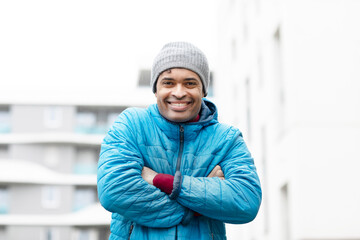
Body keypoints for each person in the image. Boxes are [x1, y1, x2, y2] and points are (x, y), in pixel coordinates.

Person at [97, 42, 262, 240]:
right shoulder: (131, 125)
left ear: (203, 91)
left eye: (190, 83)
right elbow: (114, 190)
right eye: (168, 83)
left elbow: (246, 201)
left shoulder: (227, 139)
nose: (179, 92)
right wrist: (194, 208)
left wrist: (163, 181)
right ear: (155, 89)